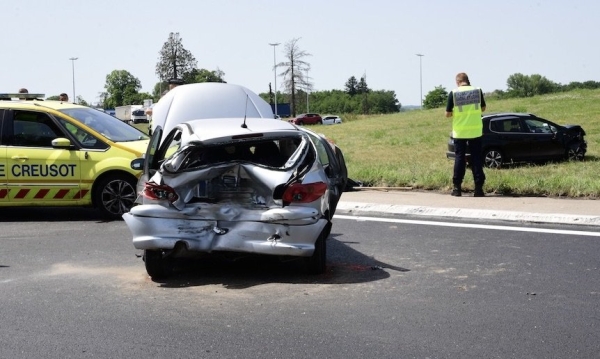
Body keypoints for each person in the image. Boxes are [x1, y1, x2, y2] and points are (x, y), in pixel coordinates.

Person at [445, 72, 486, 197]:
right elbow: (483, 108)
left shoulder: (454, 93)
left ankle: (457, 188)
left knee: (459, 158)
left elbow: (447, 114)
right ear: (468, 81)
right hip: (475, 131)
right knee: (477, 158)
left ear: (457, 82)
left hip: (460, 132)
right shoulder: (477, 91)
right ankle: (478, 189)